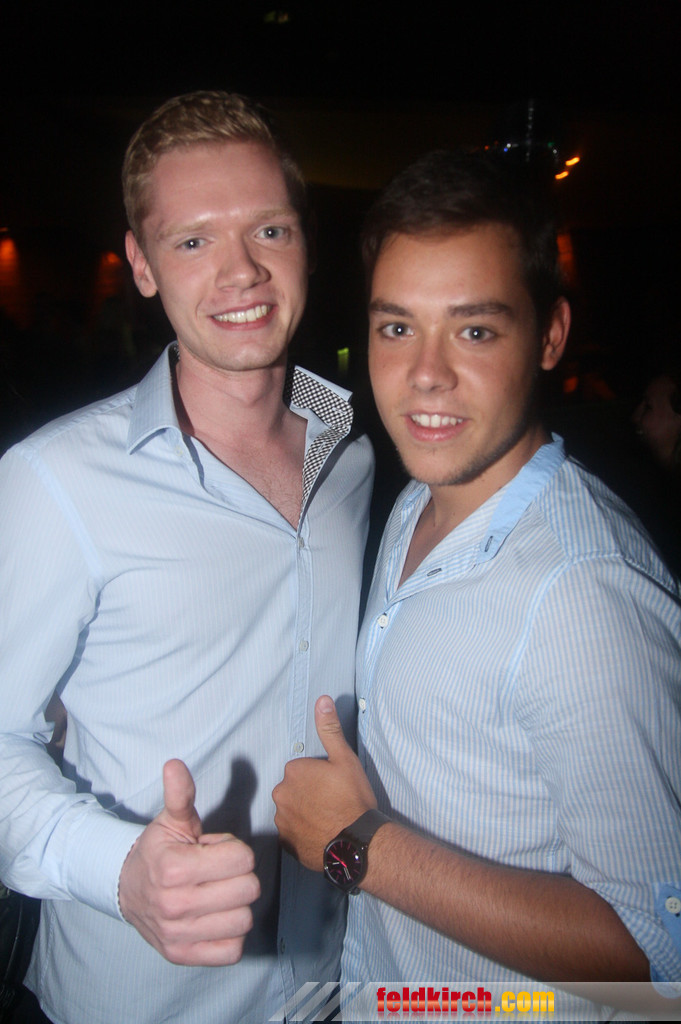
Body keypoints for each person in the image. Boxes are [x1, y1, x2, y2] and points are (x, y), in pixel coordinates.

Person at [273, 150, 681, 1016]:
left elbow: (658, 958)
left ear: (550, 337)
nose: (425, 373)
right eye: (396, 328)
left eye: (474, 331)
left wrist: (362, 846)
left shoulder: (582, 597)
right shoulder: (415, 499)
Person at [0, 91, 373, 1024]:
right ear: (141, 265)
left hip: (335, 986)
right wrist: (117, 867)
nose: (241, 270)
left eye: (269, 230)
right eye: (194, 240)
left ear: (305, 242)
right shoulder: (56, 481)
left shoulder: (357, 457)